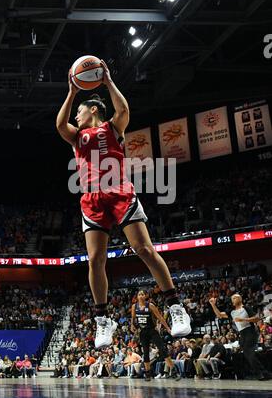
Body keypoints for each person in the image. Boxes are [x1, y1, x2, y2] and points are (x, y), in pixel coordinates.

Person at [56, 60, 191, 348]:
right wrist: (71, 92)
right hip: (91, 198)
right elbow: (59, 125)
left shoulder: (112, 127)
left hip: (120, 192)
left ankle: (175, 306)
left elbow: (124, 110)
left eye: (79, 110)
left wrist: (106, 82)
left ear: (93, 110)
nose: (75, 116)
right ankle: (102, 319)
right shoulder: (77, 137)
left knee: (143, 249)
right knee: (95, 260)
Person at [209, 294, 271, 380]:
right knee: (247, 354)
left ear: (240, 299)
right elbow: (219, 315)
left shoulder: (245, 308)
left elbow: (256, 319)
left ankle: (262, 373)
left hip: (250, 331)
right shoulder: (232, 312)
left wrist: (243, 320)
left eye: (234, 298)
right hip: (242, 333)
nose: (232, 300)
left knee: (249, 353)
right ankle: (264, 373)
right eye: (232, 299)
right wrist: (213, 305)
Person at [131, 290, 180, 381]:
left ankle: (173, 371)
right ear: (137, 297)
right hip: (142, 332)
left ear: (145, 296)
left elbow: (160, 317)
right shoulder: (134, 306)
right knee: (145, 353)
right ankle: (148, 373)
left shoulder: (150, 305)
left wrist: (168, 328)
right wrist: (132, 325)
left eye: (143, 294)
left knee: (162, 349)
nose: (141, 296)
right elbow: (133, 318)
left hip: (152, 330)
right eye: (139, 294)